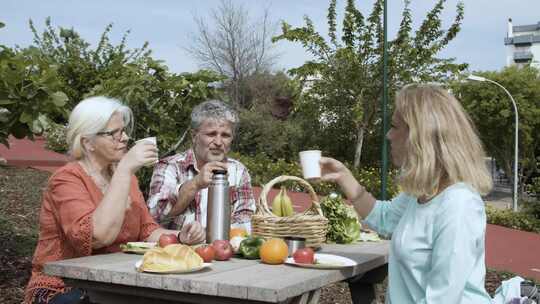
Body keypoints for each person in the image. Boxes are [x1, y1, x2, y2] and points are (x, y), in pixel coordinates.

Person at [319, 84, 494, 303]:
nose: (388, 135)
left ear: (420, 136)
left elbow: (441, 299)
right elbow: (384, 218)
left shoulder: (459, 205)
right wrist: (343, 177)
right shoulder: (421, 192)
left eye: (394, 126)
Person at [24, 96, 205, 304]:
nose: (125, 137)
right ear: (88, 142)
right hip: (64, 287)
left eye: (124, 130)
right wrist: (126, 168)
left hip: (116, 283)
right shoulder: (66, 179)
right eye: (114, 134)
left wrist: (181, 237)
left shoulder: (125, 176)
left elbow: (147, 231)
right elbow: (96, 236)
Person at [147, 99, 256, 233]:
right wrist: (195, 183)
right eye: (211, 134)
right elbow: (154, 218)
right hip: (177, 251)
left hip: (222, 251)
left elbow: (246, 222)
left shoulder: (238, 171)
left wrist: (206, 235)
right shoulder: (170, 166)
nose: (218, 142)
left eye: (225, 135)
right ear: (194, 136)